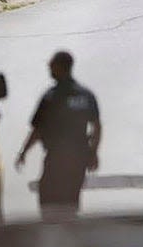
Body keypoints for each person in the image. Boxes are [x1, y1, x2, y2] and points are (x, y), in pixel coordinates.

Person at [15, 51, 101, 220]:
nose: (49, 68)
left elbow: (38, 130)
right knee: (71, 201)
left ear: (60, 67)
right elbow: (97, 126)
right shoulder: (85, 95)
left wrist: (23, 152)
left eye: (52, 65)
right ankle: (69, 234)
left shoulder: (51, 97)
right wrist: (92, 152)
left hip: (56, 159)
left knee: (48, 199)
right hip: (79, 159)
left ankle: (54, 235)